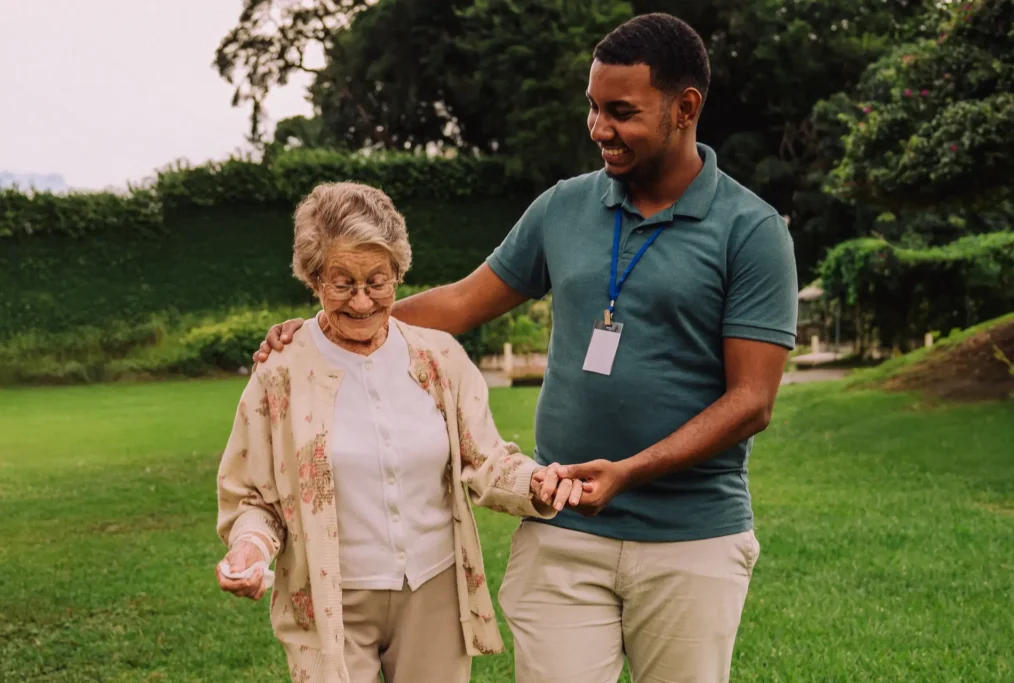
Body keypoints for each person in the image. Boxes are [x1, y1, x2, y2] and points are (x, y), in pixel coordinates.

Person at [255, 13, 798, 683]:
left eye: (621, 112)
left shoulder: (751, 231)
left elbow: (752, 400)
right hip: (563, 524)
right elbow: (458, 304)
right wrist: (325, 326)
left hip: (692, 538)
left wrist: (630, 470)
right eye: (594, 108)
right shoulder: (564, 208)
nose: (599, 128)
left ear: (685, 108)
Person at [215, 181, 588, 683]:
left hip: (434, 592)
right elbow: (252, 499)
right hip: (330, 602)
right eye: (342, 282)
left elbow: (487, 461)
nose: (363, 301)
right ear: (313, 278)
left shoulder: (439, 358)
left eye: (379, 281)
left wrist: (536, 483)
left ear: (398, 273)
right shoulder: (280, 372)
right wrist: (250, 549)